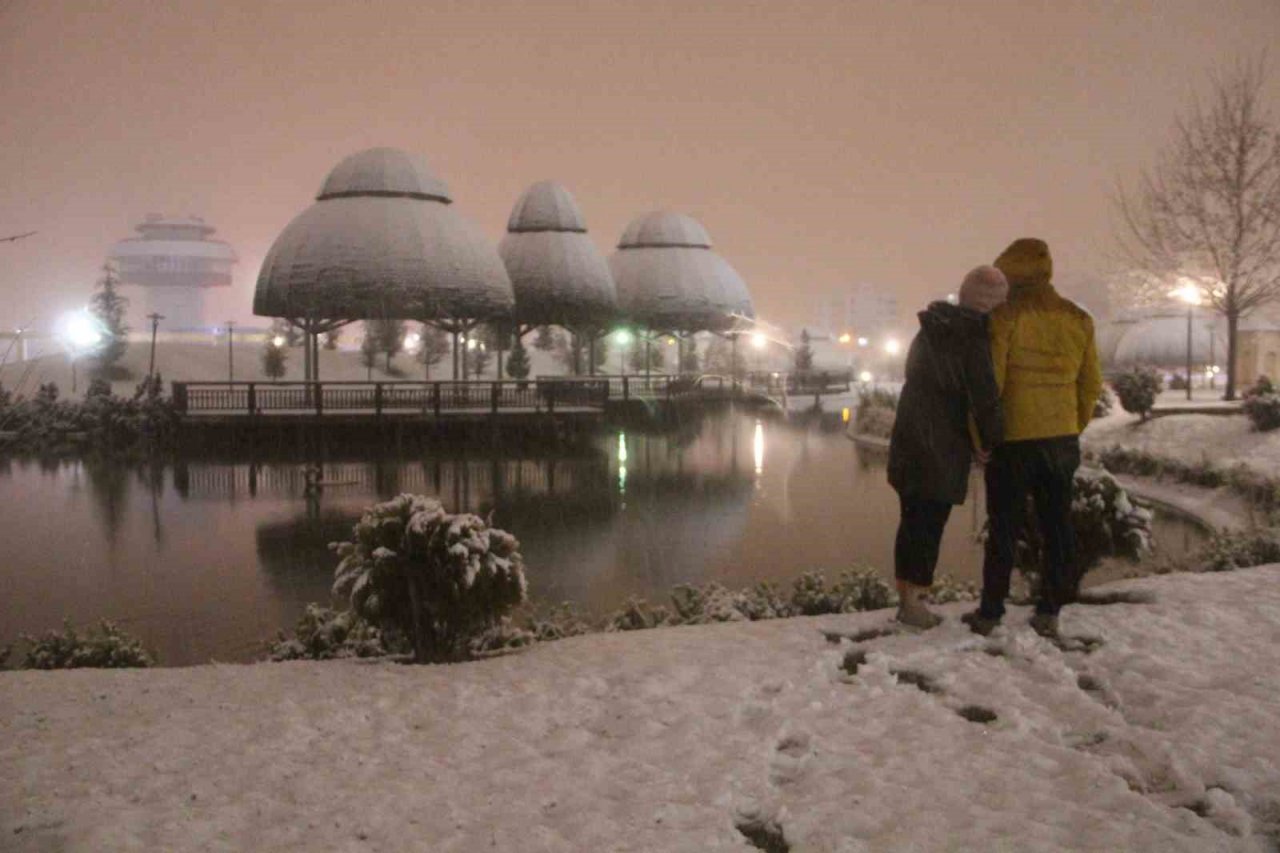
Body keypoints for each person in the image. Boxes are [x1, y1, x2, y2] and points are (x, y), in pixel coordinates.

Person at [963, 238, 1102, 638]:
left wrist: (980, 437)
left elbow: (992, 385)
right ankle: (1050, 607)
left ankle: (991, 612)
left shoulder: (1005, 318)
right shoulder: (1079, 319)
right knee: (1057, 525)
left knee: (1003, 527)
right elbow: (1090, 384)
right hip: (1061, 440)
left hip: (1014, 442)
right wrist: (1072, 425)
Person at [887, 266, 1007, 629]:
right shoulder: (971, 337)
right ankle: (915, 604)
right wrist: (990, 442)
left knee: (911, 521)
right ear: (990, 304)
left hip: (909, 437)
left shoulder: (932, 329)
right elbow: (984, 397)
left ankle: (907, 597)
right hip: (941, 444)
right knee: (929, 524)